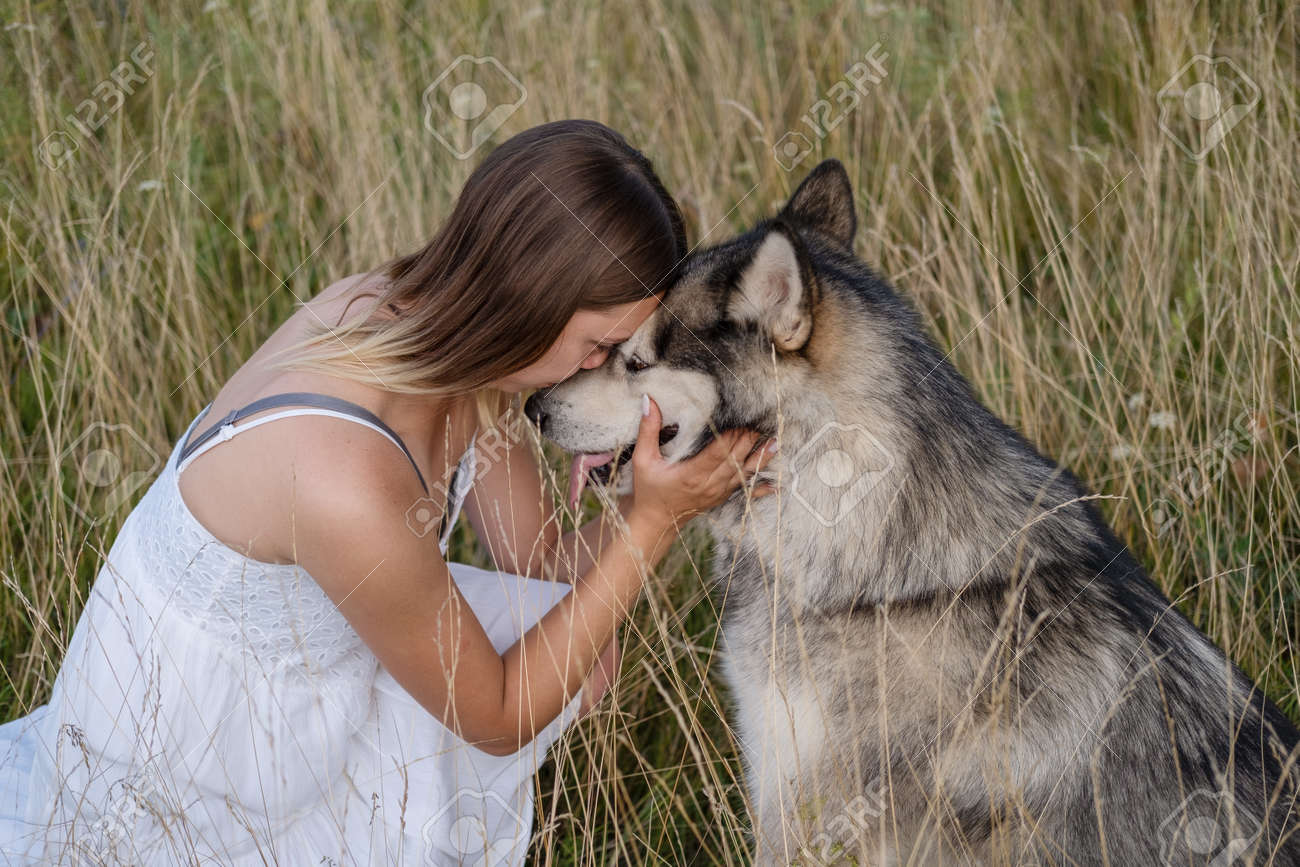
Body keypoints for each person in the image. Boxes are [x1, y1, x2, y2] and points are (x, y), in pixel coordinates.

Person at [0, 118, 776, 865]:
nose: (593, 376)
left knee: (581, 647)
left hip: (302, 690)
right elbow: (498, 718)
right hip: (198, 764)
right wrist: (653, 524)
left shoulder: (451, 343)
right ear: (531, 299)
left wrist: (674, 480)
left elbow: (544, 560)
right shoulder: (343, 474)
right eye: (600, 347)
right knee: (559, 655)